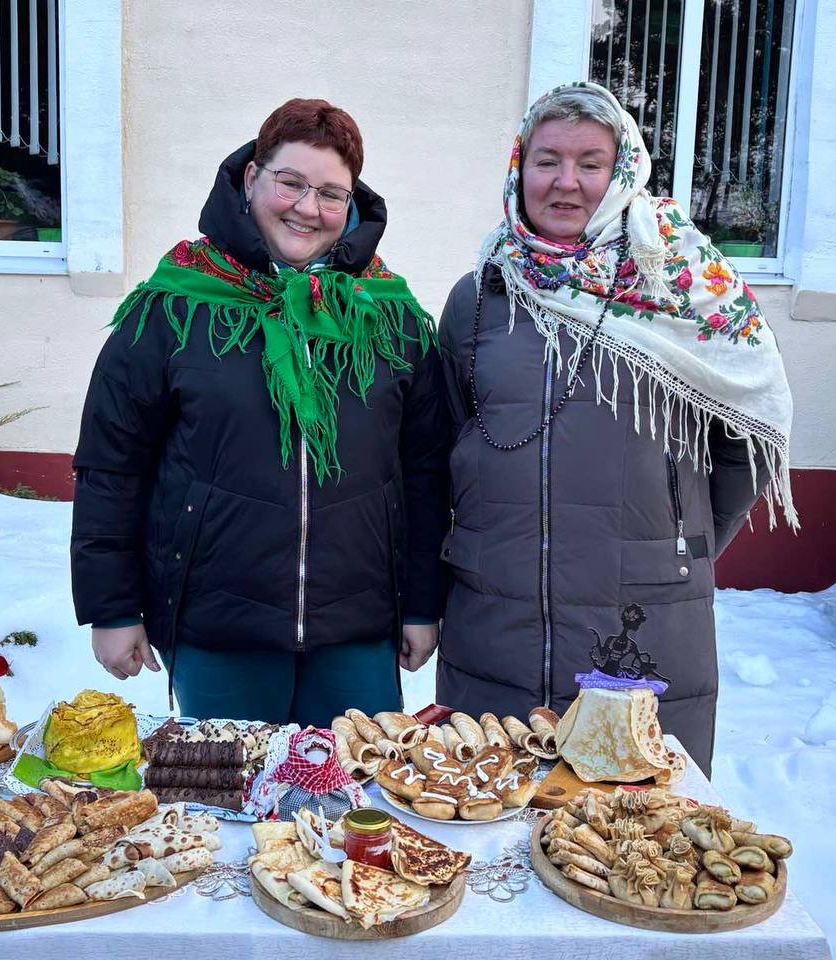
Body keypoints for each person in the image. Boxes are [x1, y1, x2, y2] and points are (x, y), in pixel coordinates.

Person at [433, 83, 797, 774]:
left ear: (623, 171)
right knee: (489, 817)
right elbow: (452, 440)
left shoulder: (682, 286)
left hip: (643, 624)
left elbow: (749, 435)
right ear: (519, 168)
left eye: (590, 163)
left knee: (631, 828)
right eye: (547, 161)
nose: (565, 182)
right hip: (494, 622)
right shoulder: (480, 296)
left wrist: (677, 540)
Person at [70, 98, 449, 728]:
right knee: (226, 793)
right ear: (251, 178)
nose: (308, 208)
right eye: (290, 182)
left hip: (357, 632)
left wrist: (421, 602)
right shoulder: (174, 309)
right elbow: (112, 465)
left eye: (330, 193)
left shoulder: (391, 318)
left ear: (351, 201)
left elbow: (425, 473)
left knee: (352, 789)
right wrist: (111, 607)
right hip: (219, 629)